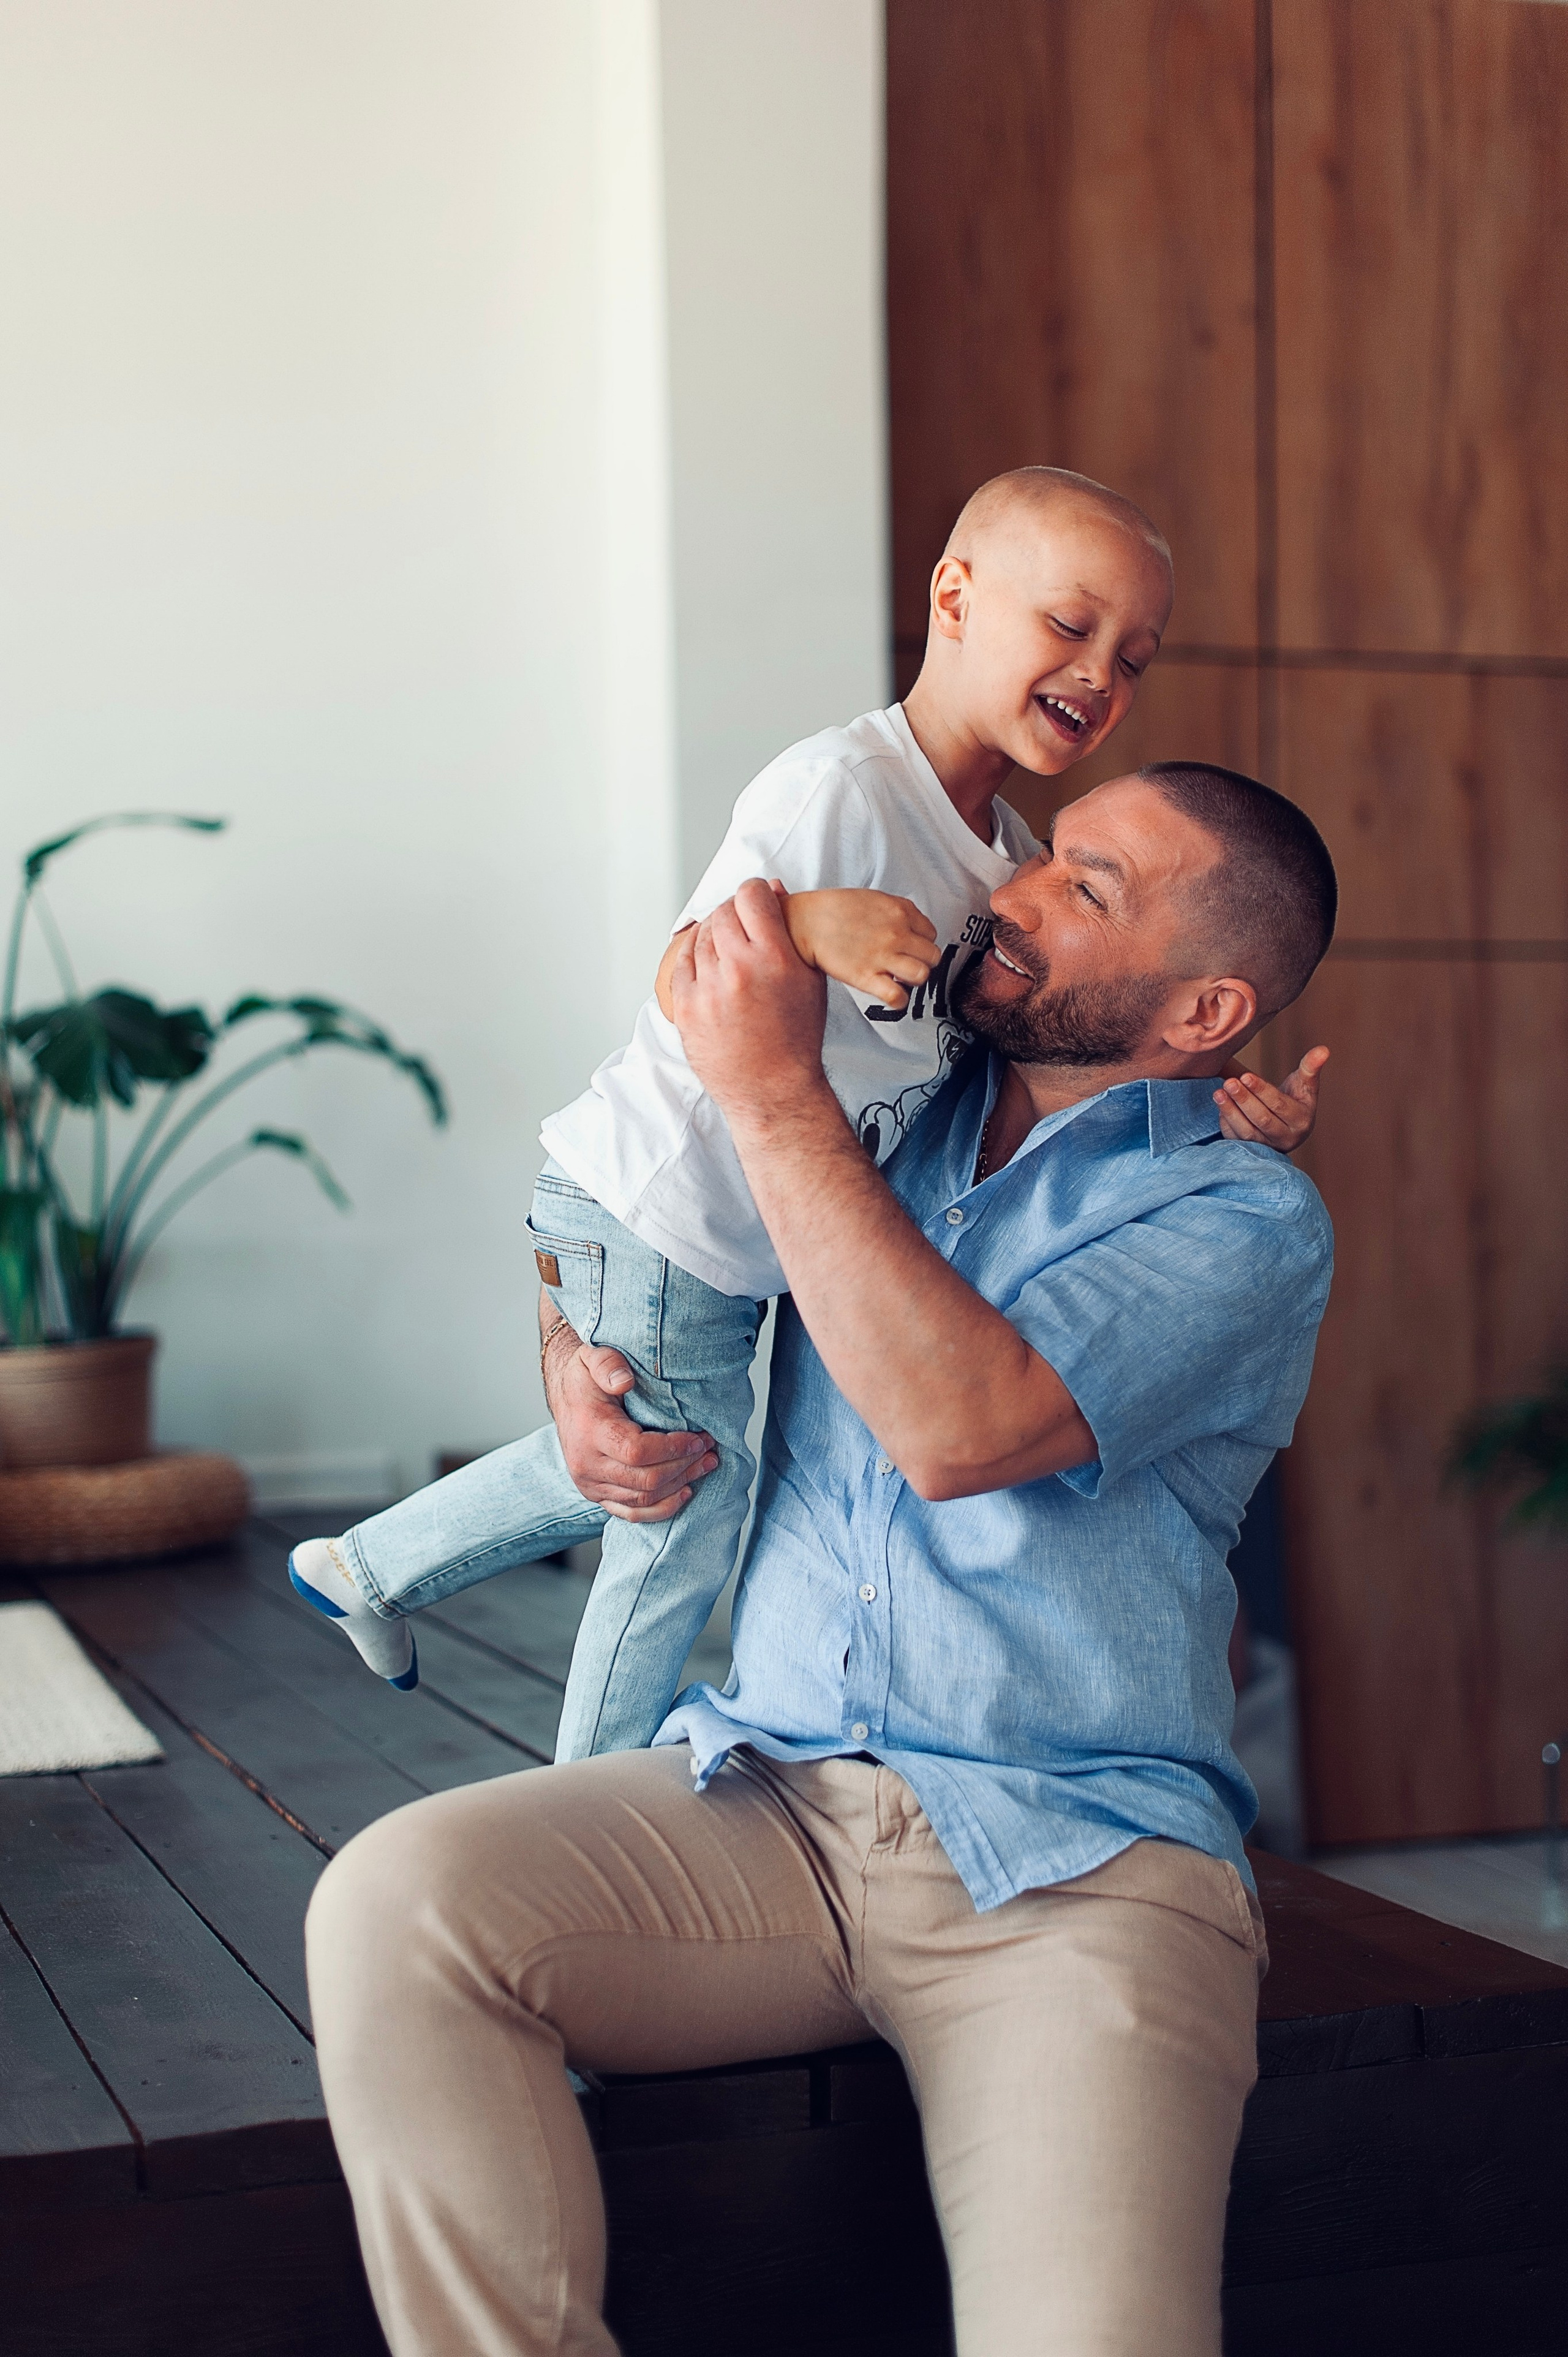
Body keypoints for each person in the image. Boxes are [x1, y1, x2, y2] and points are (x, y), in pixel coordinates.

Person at [306, 760, 1337, 2356]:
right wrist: (569, 1357)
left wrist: (775, 1093)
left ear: (1204, 1013)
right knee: (397, 1902)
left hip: (1075, 1862)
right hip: (767, 1806)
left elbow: (958, 1425)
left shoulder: (1241, 1215)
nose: (1011, 892)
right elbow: (624, 1176)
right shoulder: (887, 1100)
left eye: (1085, 889)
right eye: (1046, 855)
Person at [287, 467, 1326, 1755]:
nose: (1098, 673)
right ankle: (577, 1783)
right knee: (685, 1512)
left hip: (726, 1243)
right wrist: (806, 924)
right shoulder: (842, 788)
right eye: (1070, 625)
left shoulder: (1000, 861)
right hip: (666, 1205)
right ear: (954, 598)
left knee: (664, 1459)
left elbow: (1080, 1046)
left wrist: (1219, 1110)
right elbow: (686, 977)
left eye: (1133, 657)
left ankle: (370, 1569)